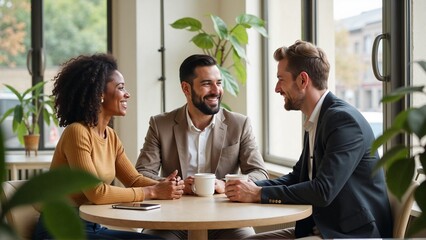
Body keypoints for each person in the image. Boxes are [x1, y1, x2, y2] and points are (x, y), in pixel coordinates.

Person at [225, 40, 393, 239]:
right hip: (323, 229)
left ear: (303, 80)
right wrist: (244, 187)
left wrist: (258, 194)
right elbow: (298, 177)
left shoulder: (342, 121)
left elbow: (323, 191)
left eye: (281, 79)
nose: (277, 88)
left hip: (351, 234)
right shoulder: (318, 118)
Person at [32, 53, 184, 240]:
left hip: (92, 226)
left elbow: (134, 180)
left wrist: (171, 186)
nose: (127, 94)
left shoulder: (110, 136)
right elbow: (96, 193)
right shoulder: (77, 132)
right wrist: (153, 191)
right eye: (120, 88)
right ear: (100, 94)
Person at [135, 54, 268, 239]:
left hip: (227, 220)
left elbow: (259, 173)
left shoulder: (239, 124)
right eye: (207, 84)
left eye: (219, 83)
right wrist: (178, 186)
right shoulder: (160, 124)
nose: (216, 91)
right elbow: (141, 174)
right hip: (171, 220)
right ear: (186, 88)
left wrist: (226, 184)